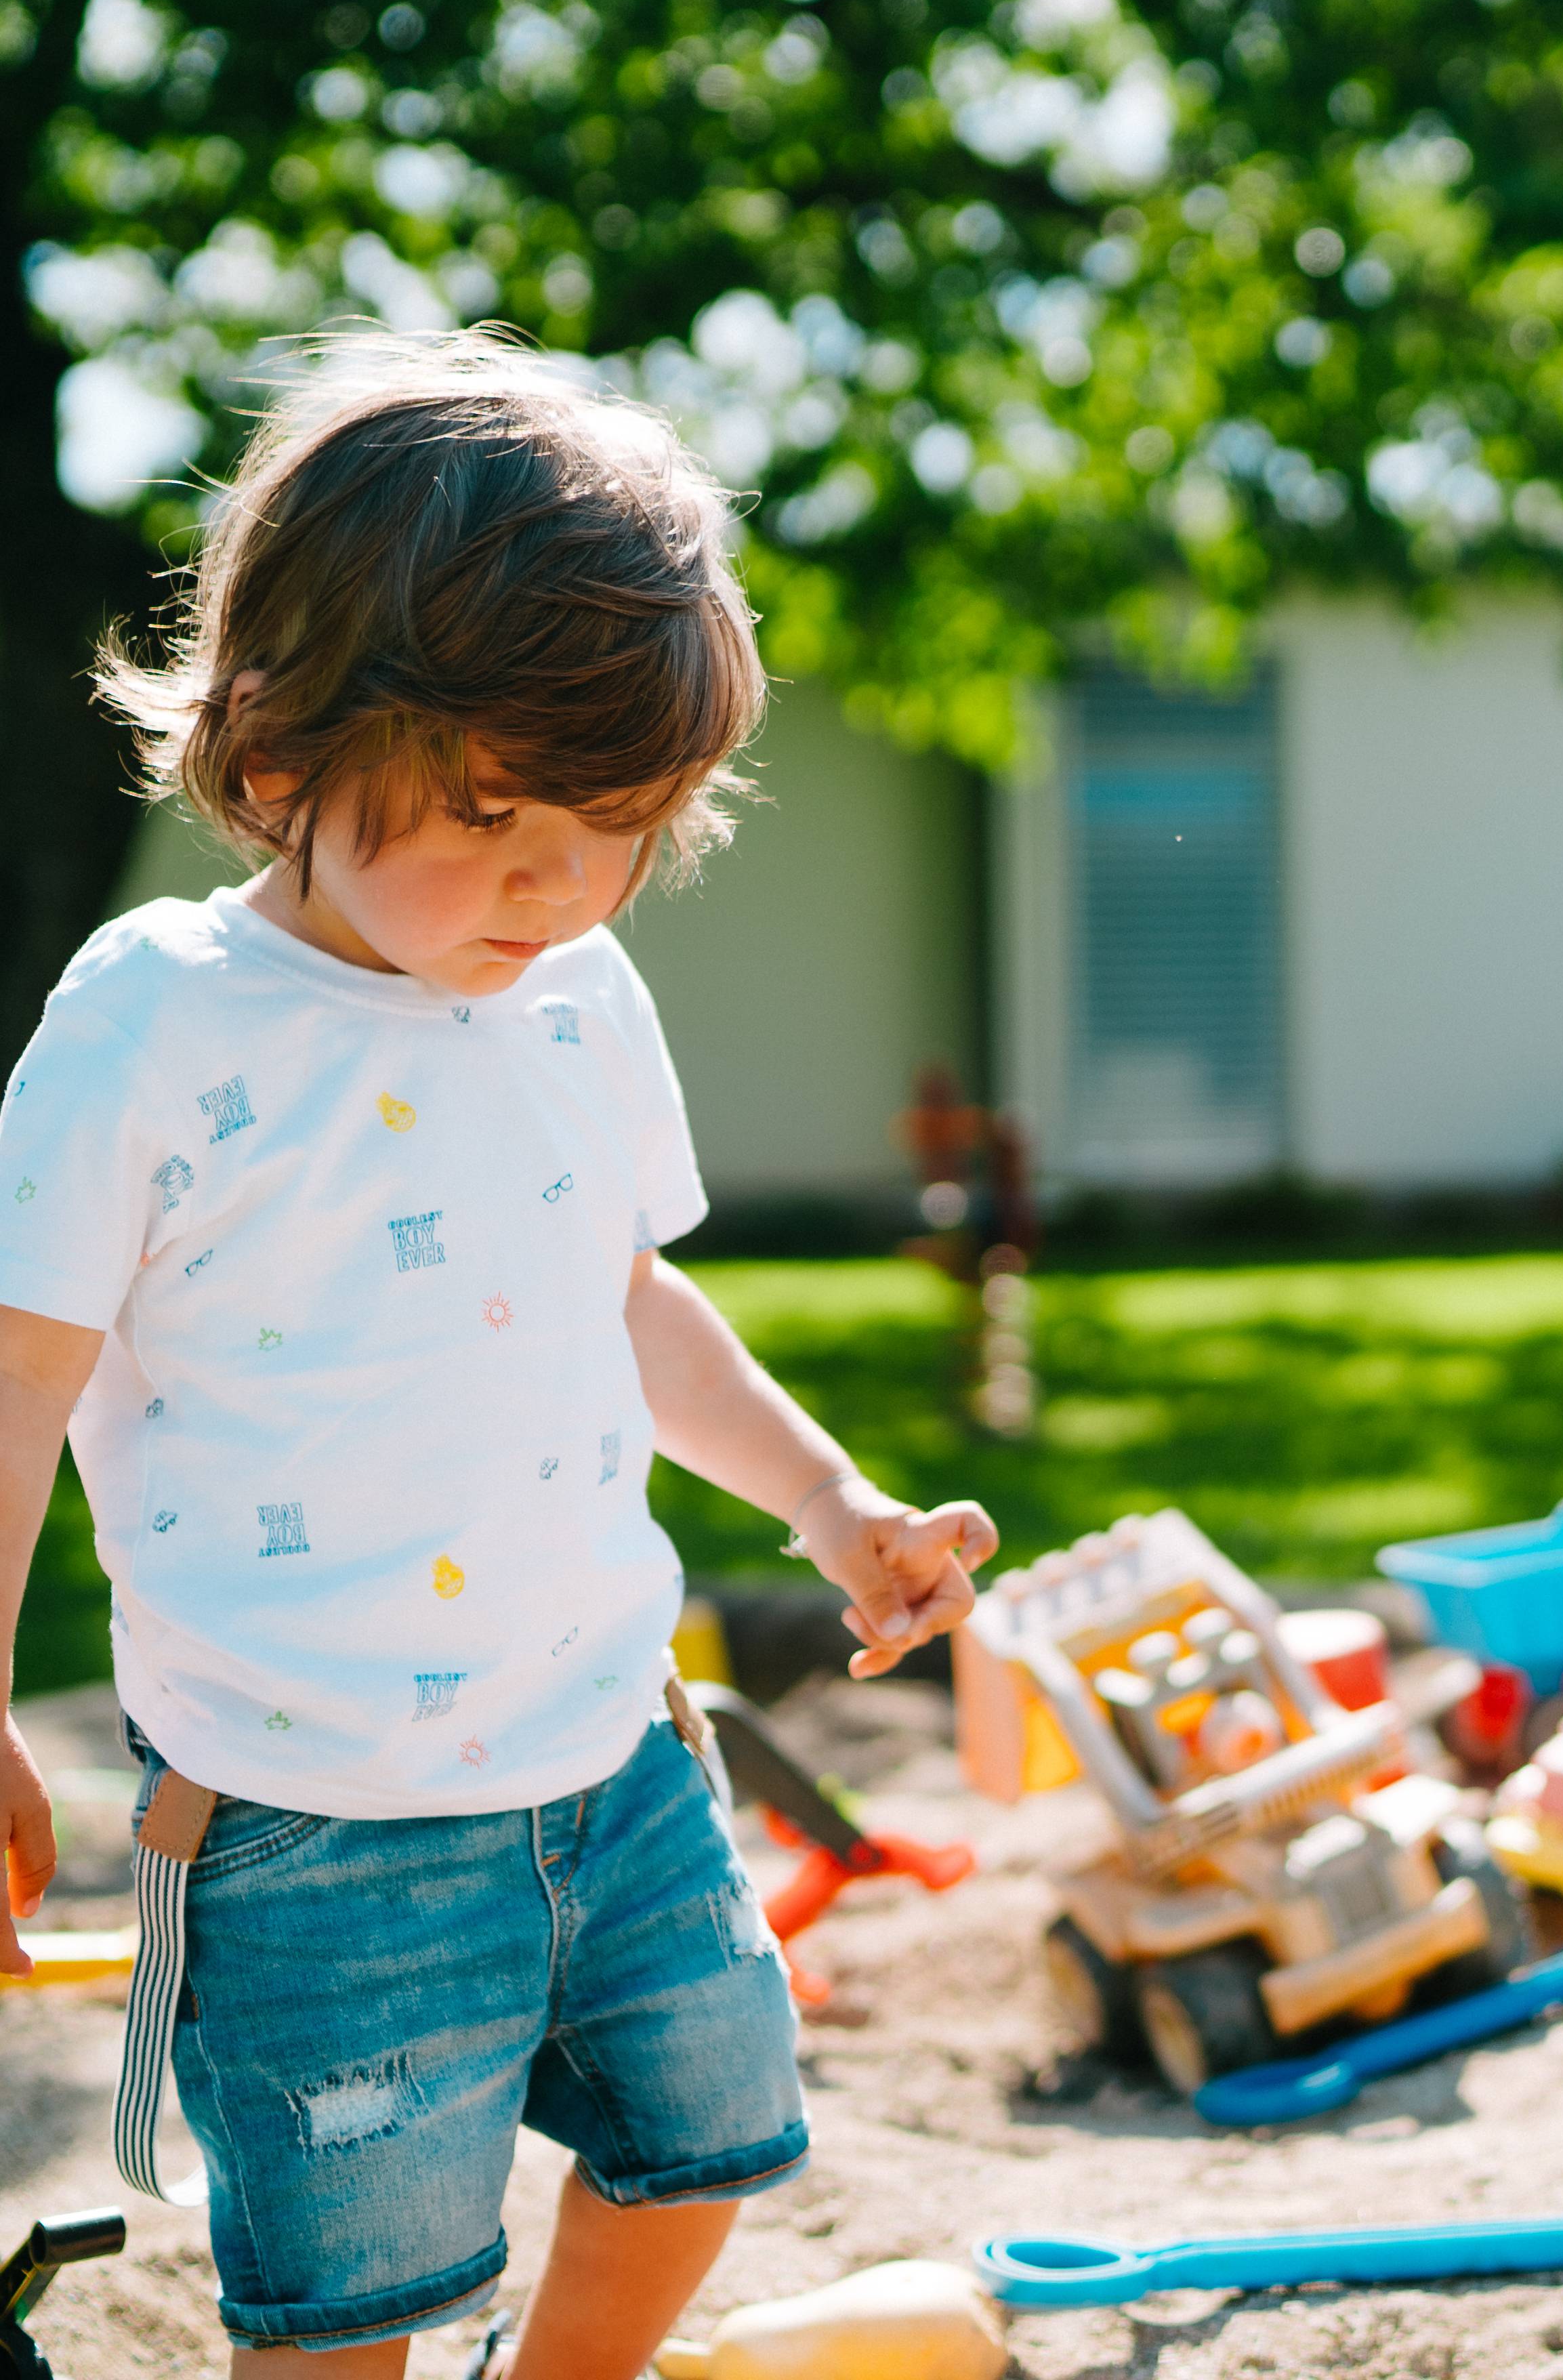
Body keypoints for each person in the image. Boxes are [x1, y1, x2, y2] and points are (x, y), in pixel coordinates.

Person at [0, 335, 997, 2380]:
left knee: (709, 2134)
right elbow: (14, 1381)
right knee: (354, 2294)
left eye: (616, 819)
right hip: (305, 1819)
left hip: (613, 1749)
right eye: (488, 810)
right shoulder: (154, 1028)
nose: (556, 879)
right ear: (276, 744)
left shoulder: (574, 990)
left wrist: (827, 1499)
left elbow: (619, 1295)